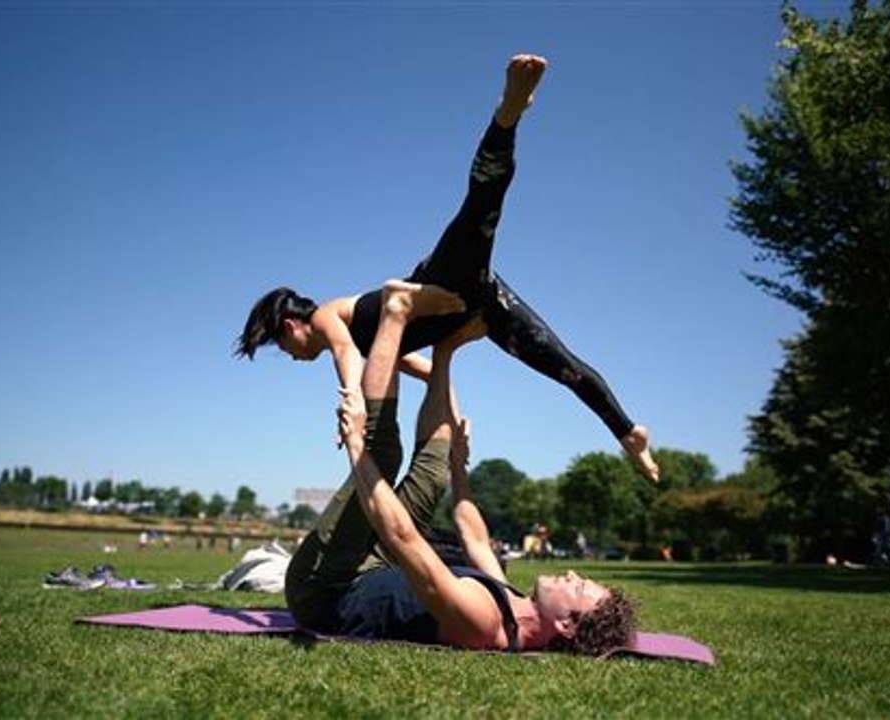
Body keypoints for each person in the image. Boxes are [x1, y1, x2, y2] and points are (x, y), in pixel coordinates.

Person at [236, 54, 659, 483]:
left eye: (282, 350)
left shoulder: (328, 316)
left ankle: (507, 115)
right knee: (564, 367)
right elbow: (422, 369)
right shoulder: (374, 347)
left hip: (441, 279)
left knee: (482, 204)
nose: (292, 358)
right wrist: (455, 418)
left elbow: (344, 355)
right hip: (477, 303)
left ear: (290, 328)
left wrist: (353, 403)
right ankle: (629, 434)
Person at [284, 280, 637, 654]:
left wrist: (355, 441)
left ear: (566, 624)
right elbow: (474, 537)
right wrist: (458, 463)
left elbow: (403, 538)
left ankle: (394, 313)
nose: (572, 574)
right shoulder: (512, 601)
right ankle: (443, 347)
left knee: (381, 454)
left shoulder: (483, 622)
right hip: (375, 568)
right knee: (435, 472)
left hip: (323, 588)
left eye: (579, 587)